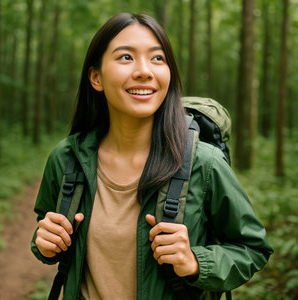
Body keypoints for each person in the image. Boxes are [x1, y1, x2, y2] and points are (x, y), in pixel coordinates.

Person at [31, 13, 273, 300]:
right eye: (125, 58)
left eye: (157, 59)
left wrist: (195, 262)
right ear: (96, 77)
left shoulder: (204, 164)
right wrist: (43, 242)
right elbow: (46, 226)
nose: (145, 71)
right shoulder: (67, 157)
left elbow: (252, 248)